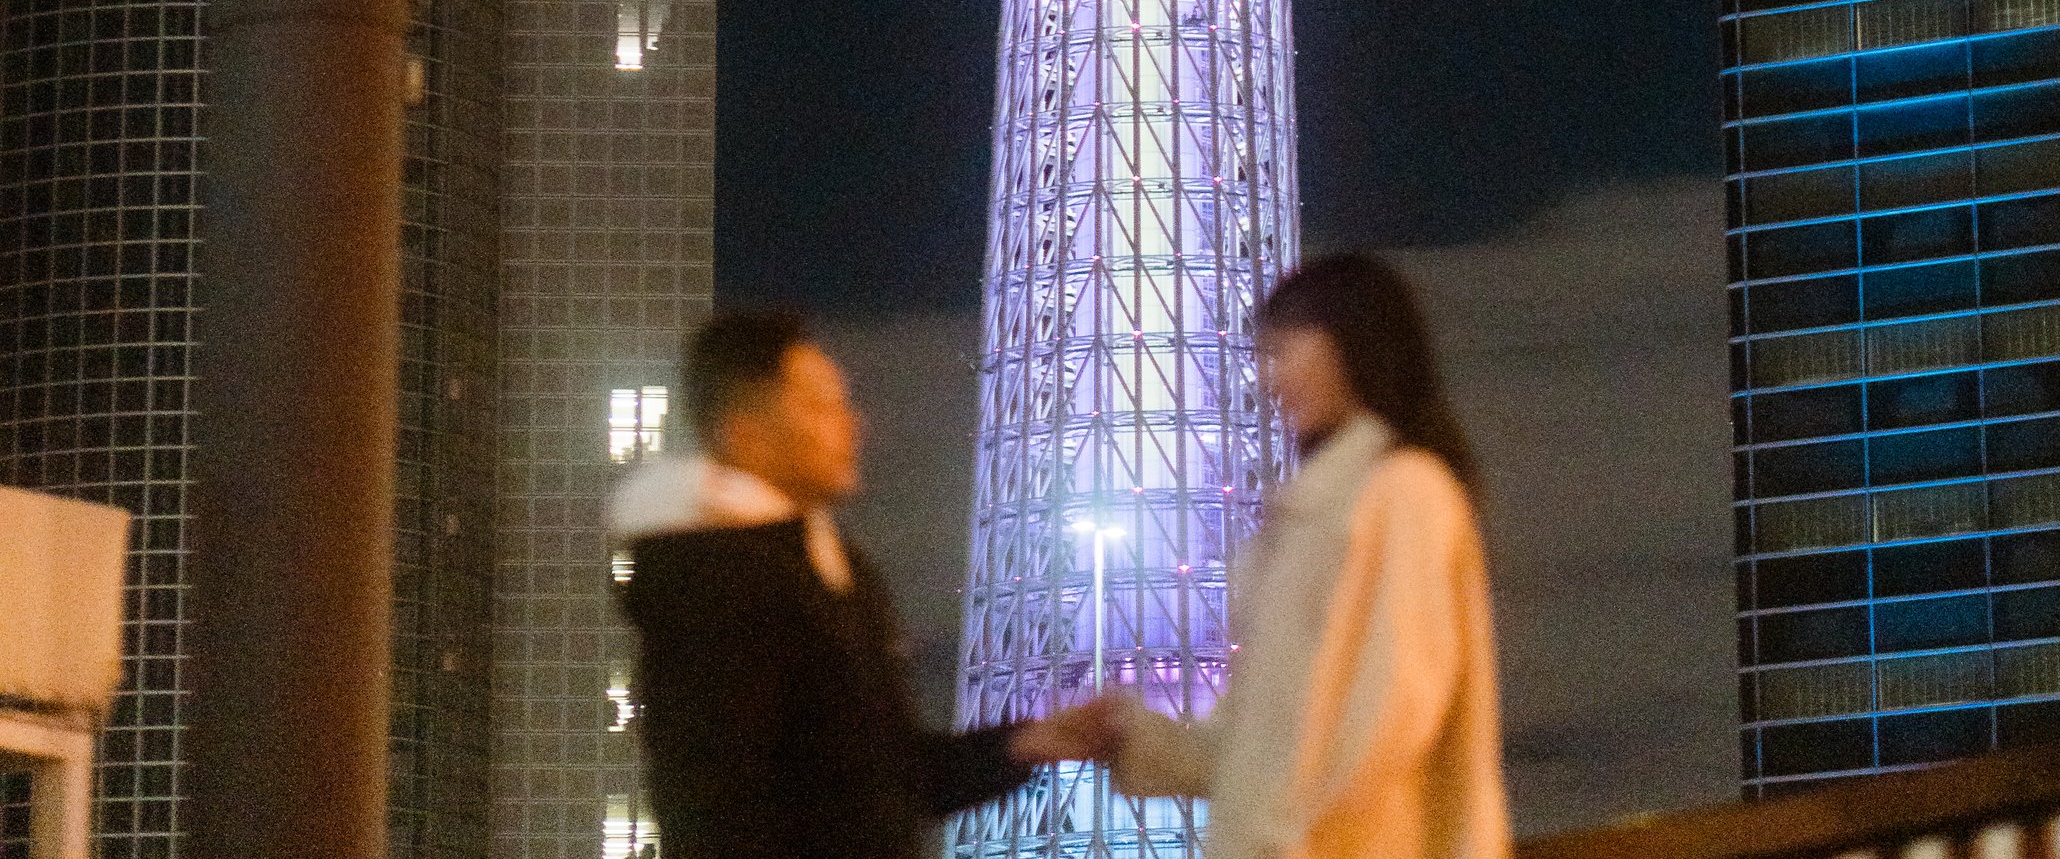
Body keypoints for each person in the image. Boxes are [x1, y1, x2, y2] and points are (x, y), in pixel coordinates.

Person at [611, 306, 1121, 859]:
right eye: (820, 406)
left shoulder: (830, 563)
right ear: (744, 431)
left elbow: (883, 773)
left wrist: (1026, 744)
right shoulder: (712, 582)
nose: (852, 422)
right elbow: (721, 810)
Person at [1109, 254, 1510, 859]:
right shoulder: (1306, 518)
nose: (1270, 380)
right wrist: (1126, 735)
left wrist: (1287, 838)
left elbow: (1395, 711)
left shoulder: (1405, 490)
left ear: (1354, 343)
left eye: (1285, 350)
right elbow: (1256, 751)